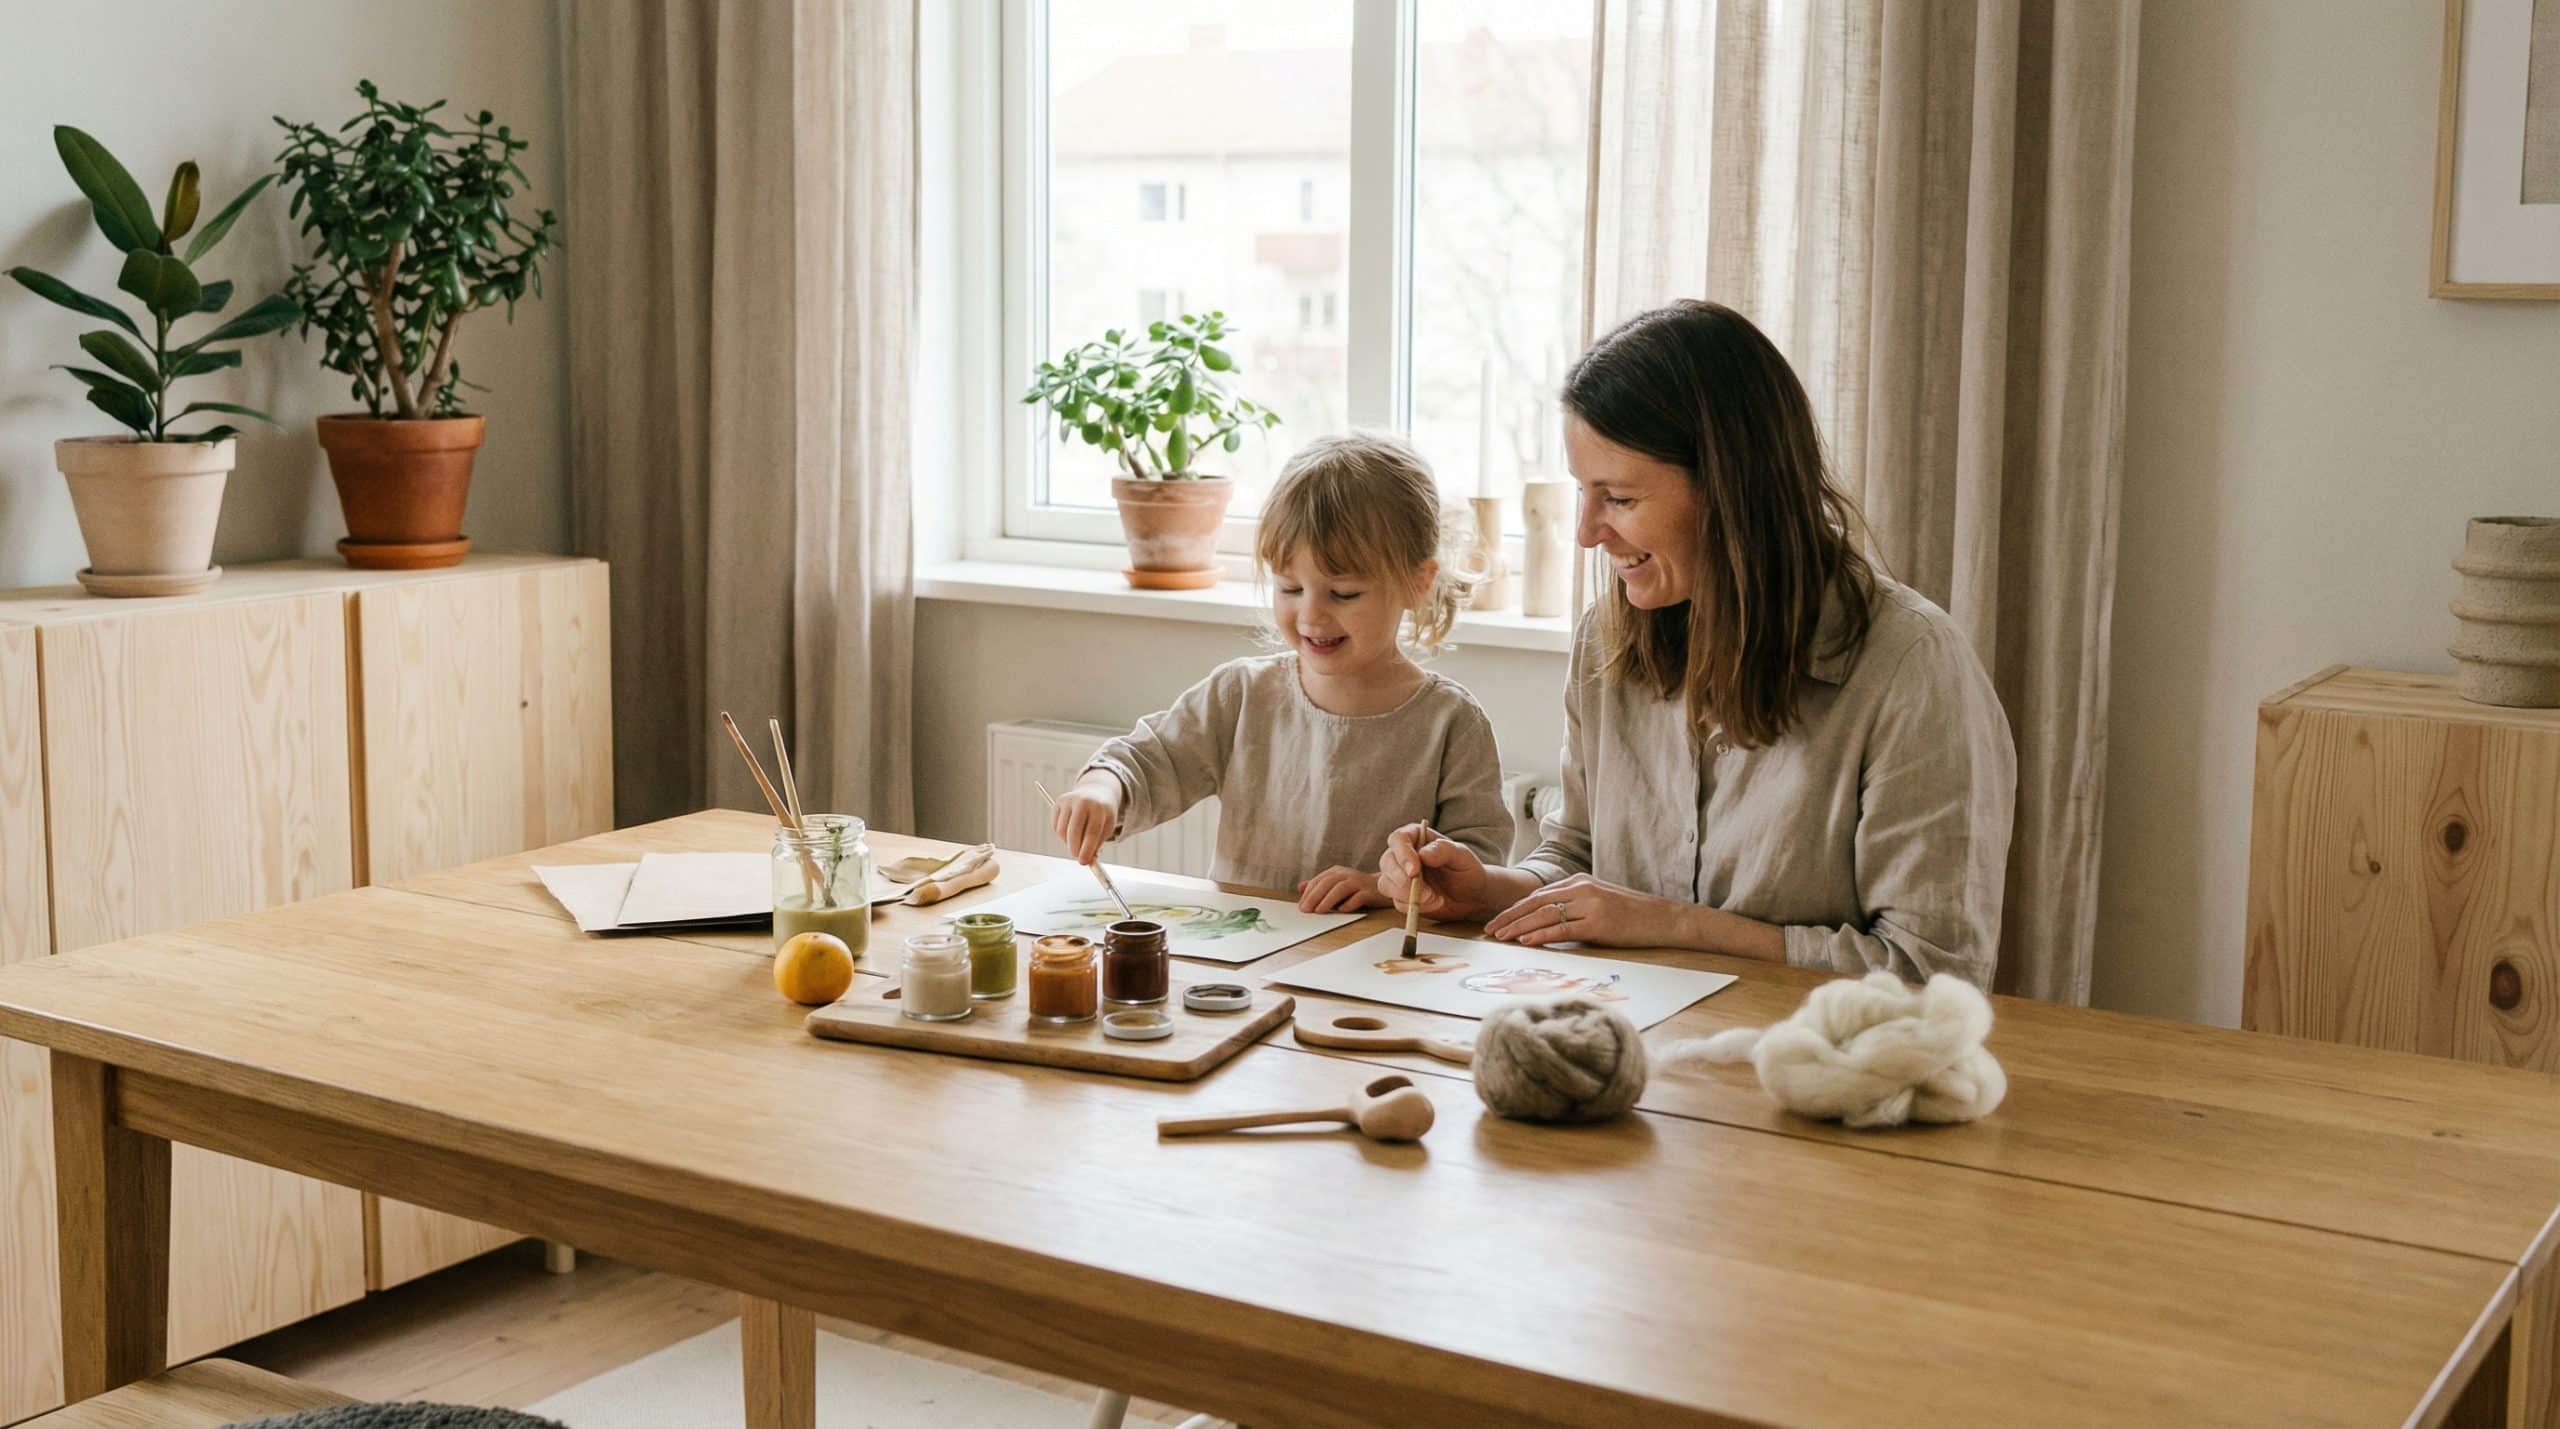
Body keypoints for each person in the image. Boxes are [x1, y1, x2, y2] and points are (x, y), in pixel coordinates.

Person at [1378, 301, 2016, 986]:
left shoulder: (1912, 669)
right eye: (1583, 494)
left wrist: (1676, 923)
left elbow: (1932, 972)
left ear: (1731, 489)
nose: (1587, 532)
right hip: (1633, 1051)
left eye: (1618, 497)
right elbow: (1576, 855)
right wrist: (1488, 889)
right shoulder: (1607, 636)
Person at [1052, 433, 1512, 913]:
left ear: (1417, 583)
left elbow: (1474, 867)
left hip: (1378, 968)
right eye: (1290, 587)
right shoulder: (1242, 694)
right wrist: (1102, 788)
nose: (1311, 615)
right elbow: (1153, 760)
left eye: (1344, 593)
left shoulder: (1451, 722)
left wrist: (1382, 885)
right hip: (1245, 971)